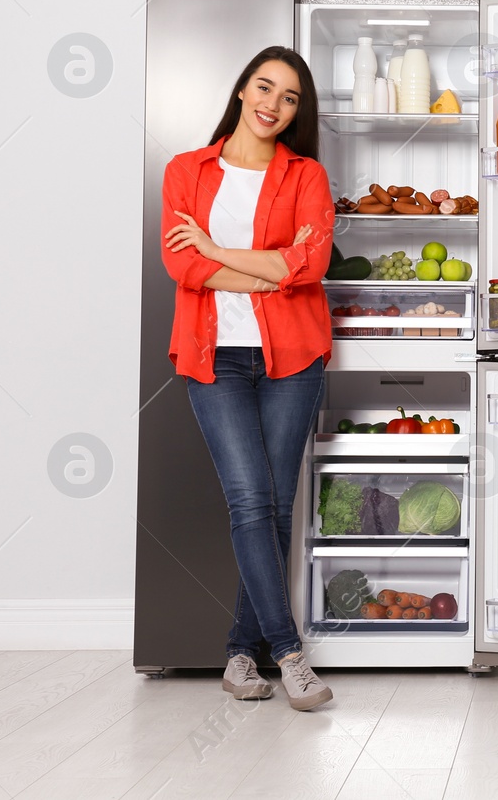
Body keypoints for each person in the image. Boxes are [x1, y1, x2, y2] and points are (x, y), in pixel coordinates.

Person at [159, 45, 336, 711]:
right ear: (241, 91)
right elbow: (185, 271)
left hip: (291, 356)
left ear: (296, 111)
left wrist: (217, 250)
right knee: (249, 501)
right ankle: (289, 653)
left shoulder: (306, 175)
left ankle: (240, 653)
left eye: (289, 97)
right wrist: (266, 266)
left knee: (274, 504)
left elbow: (309, 263)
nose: (273, 104)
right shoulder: (187, 170)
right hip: (215, 356)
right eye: (265, 87)